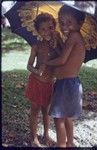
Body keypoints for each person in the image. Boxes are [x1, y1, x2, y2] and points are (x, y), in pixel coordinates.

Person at [44, 5, 86, 147]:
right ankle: (70, 144)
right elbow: (65, 54)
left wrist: (46, 62)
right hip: (71, 83)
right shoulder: (74, 37)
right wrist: (59, 40)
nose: (64, 26)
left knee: (59, 119)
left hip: (65, 84)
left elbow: (62, 60)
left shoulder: (74, 36)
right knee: (67, 117)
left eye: (69, 22)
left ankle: (61, 145)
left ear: (80, 23)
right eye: (61, 22)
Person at [25, 13, 63, 147]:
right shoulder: (36, 46)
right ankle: (33, 138)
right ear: (38, 31)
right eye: (43, 29)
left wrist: (57, 43)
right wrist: (36, 70)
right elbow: (28, 65)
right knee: (35, 110)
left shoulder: (58, 44)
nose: (47, 31)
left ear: (55, 27)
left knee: (46, 111)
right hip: (36, 82)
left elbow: (63, 58)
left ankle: (46, 135)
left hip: (49, 83)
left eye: (50, 27)